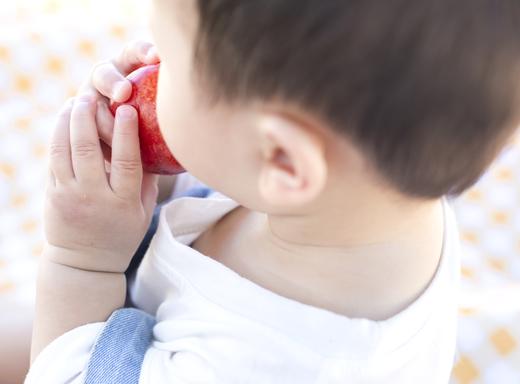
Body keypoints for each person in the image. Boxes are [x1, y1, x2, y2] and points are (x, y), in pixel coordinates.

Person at [25, 0, 520, 383]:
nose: (149, 70)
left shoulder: (262, 365)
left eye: (170, 61)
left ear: (281, 159)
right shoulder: (368, 189)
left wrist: (83, 261)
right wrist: (163, 160)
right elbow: (228, 166)